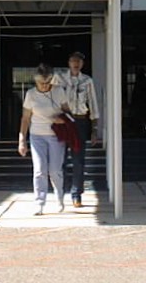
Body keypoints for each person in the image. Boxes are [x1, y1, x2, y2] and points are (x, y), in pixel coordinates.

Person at [18, 63, 70, 216]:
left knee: (55, 170)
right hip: (37, 135)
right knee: (40, 169)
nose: (45, 86)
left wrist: (62, 120)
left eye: (48, 82)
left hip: (56, 135)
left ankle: (59, 197)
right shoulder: (31, 94)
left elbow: (68, 113)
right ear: (36, 81)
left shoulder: (59, 91)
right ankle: (39, 203)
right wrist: (22, 140)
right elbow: (25, 118)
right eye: (41, 82)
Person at [53, 51, 99, 208]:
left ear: (82, 64)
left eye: (78, 61)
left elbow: (93, 104)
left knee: (78, 159)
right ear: (69, 62)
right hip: (63, 120)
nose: (76, 64)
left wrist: (94, 128)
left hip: (80, 120)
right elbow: (52, 98)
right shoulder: (59, 79)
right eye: (73, 60)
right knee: (60, 159)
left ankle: (76, 193)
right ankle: (60, 192)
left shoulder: (87, 80)